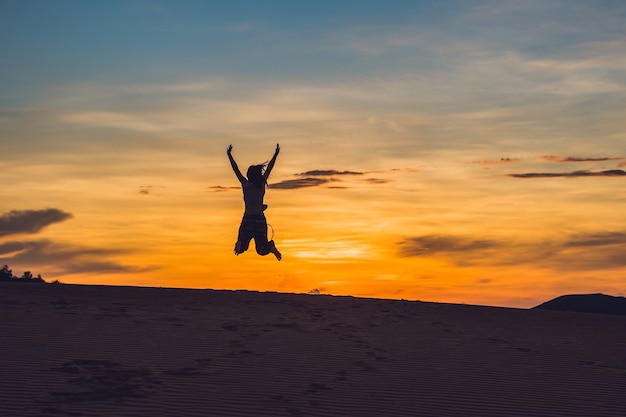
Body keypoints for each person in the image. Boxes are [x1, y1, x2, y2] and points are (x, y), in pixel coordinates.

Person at [227, 144, 282, 261]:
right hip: (259, 220)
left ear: (249, 176)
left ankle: (240, 243)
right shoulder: (261, 185)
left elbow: (235, 169)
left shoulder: (245, 185)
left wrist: (229, 155)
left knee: (242, 245)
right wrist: (276, 154)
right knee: (261, 249)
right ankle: (271, 247)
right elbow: (269, 168)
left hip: (248, 219)